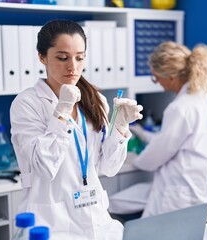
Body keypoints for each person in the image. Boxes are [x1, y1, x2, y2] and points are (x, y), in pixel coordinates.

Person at [10, 19, 143, 240]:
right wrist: (62, 112)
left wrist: (120, 128)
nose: (73, 67)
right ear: (42, 57)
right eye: (62, 58)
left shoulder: (96, 99)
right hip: (50, 224)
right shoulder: (26, 104)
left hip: (96, 220)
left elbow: (108, 167)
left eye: (79, 58)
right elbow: (44, 167)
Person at [109, 41, 207, 220]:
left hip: (179, 194)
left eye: (156, 78)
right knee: (115, 202)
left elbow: (157, 155)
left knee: (116, 207)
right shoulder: (200, 98)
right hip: (199, 188)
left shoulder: (179, 107)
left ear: (171, 77)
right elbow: (176, 141)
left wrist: (131, 160)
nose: (157, 83)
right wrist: (144, 134)